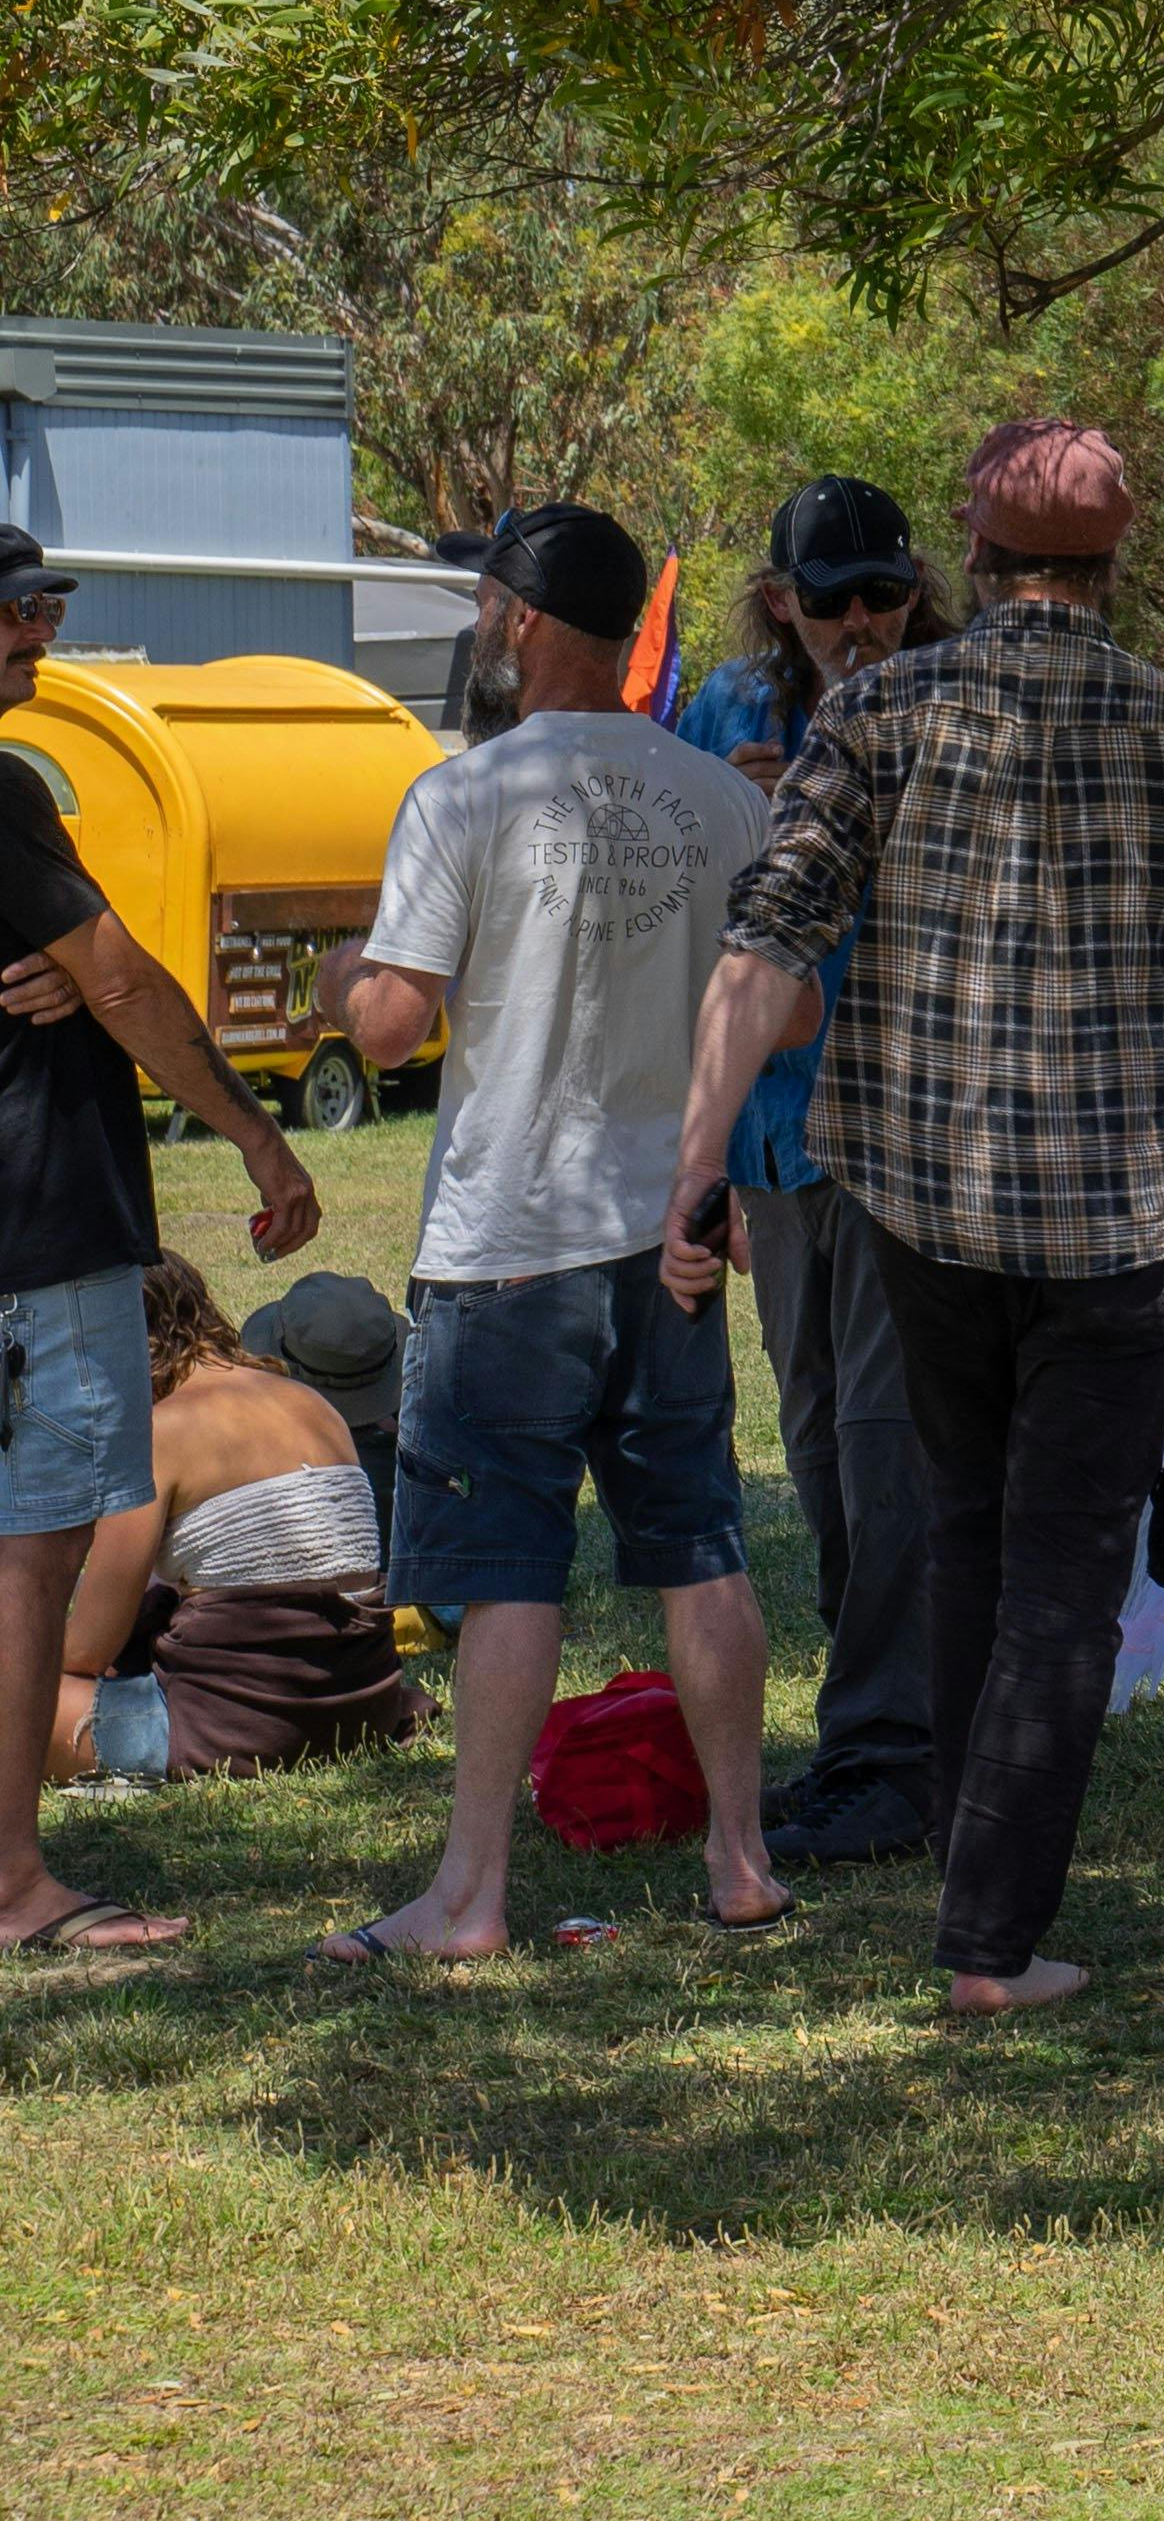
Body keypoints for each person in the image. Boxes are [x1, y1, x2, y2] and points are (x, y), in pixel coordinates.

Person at [677, 416, 1164, 2019]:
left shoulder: (883, 715)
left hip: (921, 1209)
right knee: (1063, 1565)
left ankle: (971, 1875)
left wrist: (692, 1167)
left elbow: (765, 950)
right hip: (1121, 1224)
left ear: (963, 565)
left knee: (966, 1523)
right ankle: (991, 1932)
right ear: (1117, 569)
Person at [310, 505, 788, 1961]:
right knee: (697, 1538)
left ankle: (470, 1895)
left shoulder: (463, 794)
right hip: (670, 1235)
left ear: (518, 622)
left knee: (507, 1563)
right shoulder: (722, 798)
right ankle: (743, 1860)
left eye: (480, 609)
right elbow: (795, 1003)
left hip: (510, 1239)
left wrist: (339, 974)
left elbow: (390, 1029)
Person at [0, 524, 334, 1953]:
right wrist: (258, 1135)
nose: (40, 635)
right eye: (16, 611)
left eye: (48, 606)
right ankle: (15, 1886)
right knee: (30, 1553)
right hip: (33, 1236)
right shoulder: (6, 791)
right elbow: (123, 977)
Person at [667, 474, 950, 1872]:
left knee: (893, 1454)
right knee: (824, 1451)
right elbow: (687, 899)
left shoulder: (951, 704)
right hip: (778, 1143)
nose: (857, 622)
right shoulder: (722, 710)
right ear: (781, 597)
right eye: (828, 597)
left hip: (909, 1136)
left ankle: (889, 1754)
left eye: (881, 594)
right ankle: (883, 1721)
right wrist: (744, 803)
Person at [46, 1254, 418, 1781]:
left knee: (18, 1700)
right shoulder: (312, 1403)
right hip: (364, 1706)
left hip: (241, 1726)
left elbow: (86, 1649)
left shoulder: (160, 1432)